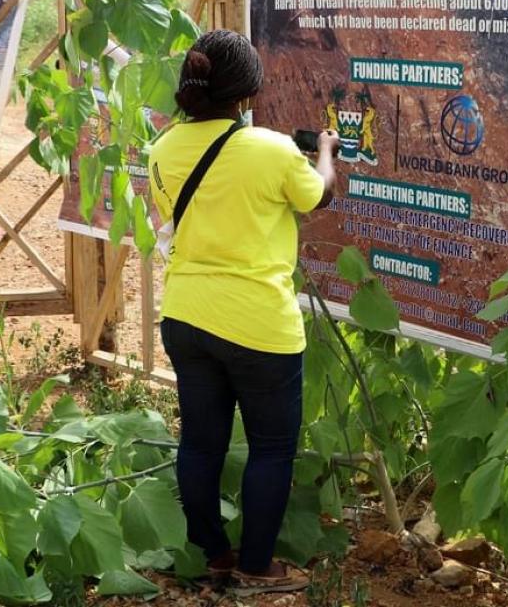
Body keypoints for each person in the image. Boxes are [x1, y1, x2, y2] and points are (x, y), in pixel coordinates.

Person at [147, 30, 339, 596]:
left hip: (185, 315)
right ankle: (258, 566)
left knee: (200, 442)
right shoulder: (274, 149)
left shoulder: (163, 149)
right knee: (272, 448)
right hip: (258, 324)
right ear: (248, 89)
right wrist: (325, 152)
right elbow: (318, 197)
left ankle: (216, 555)